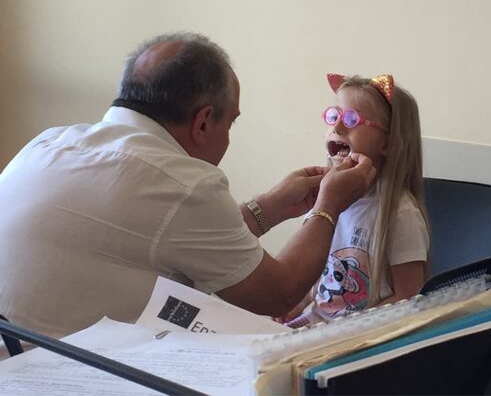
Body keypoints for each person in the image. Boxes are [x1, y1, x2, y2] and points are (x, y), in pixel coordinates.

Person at [0, 33, 375, 342]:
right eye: (231, 124)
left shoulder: (48, 144)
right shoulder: (183, 183)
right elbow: (276, 294)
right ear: (203, 123)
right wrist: (329, 206)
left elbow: (177, 239)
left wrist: (271, 206)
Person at [284, 73, 430, 327]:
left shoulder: (401, 214)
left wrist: (347, 331)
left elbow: (408, 296)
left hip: (357, 341)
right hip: (316, 327)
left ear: (387, 142)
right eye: (334, 116)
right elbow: (317, 282)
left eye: (352, 119)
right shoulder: (326, 201)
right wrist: (290, 307)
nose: (337, 128)